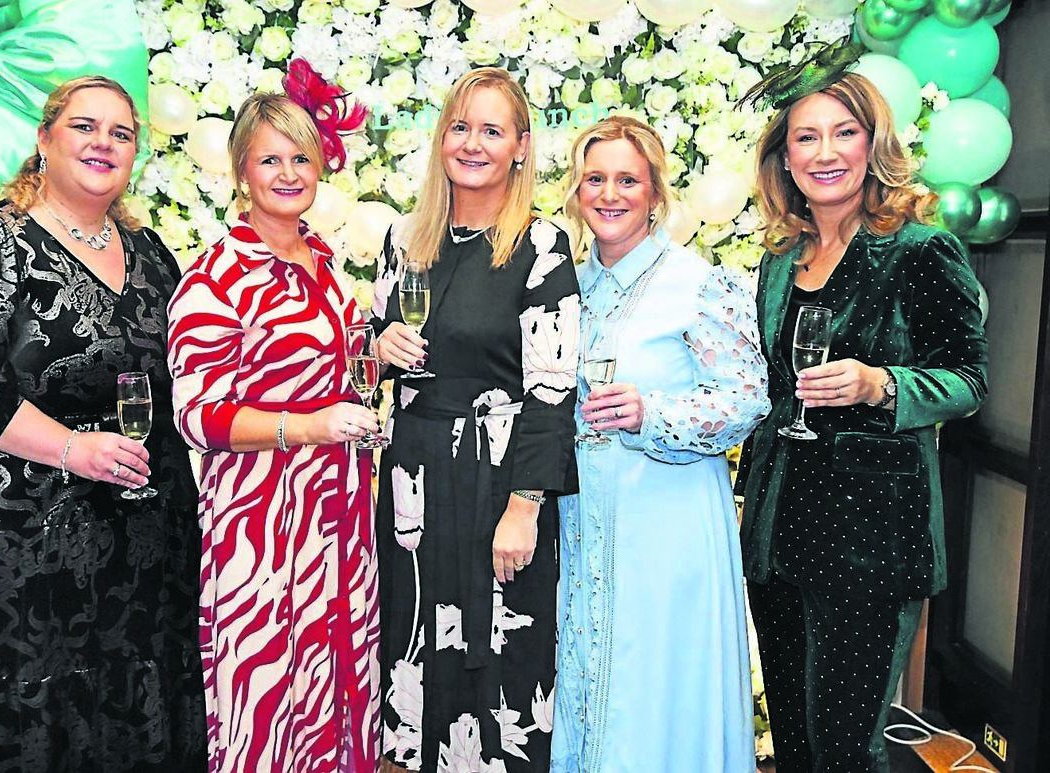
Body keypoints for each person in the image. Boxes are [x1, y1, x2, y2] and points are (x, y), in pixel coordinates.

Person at [0, 75, 206, 771]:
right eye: (84, 126)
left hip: (142, 552)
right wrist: (69, 447)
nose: (103, 143)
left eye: (121, 133)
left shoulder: (152, 256)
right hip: (18, 549)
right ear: (44, 139)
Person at [735, 50, 989, 772]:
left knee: (846, 748)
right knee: (794, 741)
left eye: (843, 133)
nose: (825, 153)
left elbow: (969, 380)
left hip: (870, 537)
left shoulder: (918, 251)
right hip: (779, 530)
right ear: (785, 158)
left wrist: (882, 384)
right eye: (806, 137)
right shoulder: (781, 258)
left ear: (873, 145)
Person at [166, 59, 380, 773]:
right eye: (270, 160)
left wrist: (377, 355)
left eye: (301, 159)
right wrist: (307, 426)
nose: (289, 174)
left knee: (337, 678)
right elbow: (198, 416)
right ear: (240, 172)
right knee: (264, 687)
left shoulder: (324, 263)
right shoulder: (217, 278)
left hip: (338, 511)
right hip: (261, 522)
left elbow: (337, 373)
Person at [371, 67, 580, 772]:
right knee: (414, 647)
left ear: (520, 147)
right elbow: (370, 360)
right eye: (460, 127)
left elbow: (553, 389)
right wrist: (378, 348)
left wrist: (525, 506)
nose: (472, 143)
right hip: (414, 480)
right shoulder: (405, 238)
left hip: (498, 480)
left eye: (492, 130)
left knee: (502, 660)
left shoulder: (541, 246)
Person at [548, 115, 769, 772]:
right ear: (576, 191)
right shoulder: (565, 286)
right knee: (585, 676)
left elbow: (748, 398)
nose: (610, 194)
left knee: (654, 684)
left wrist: (653, 412)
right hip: (580, 521)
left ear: (654, 192)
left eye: (628, 179)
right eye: (595, 179)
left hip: (668, 524)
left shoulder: (697, 282)